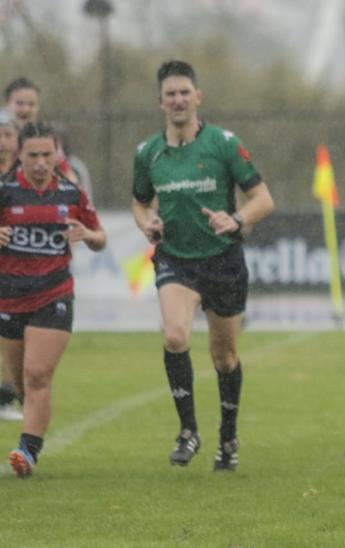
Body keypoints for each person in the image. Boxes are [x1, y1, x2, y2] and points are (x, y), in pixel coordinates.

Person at [131, 60, 275, 471]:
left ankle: (227, 439)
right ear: (160, 102)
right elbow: (139, 202)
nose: (177, 100)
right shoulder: (147, 153)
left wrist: (237, 220)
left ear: (197, 97)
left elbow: (263, 198)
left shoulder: (224, 144)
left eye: (184, 92)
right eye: (169, 94)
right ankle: (188, 431)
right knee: (175, 336)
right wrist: (147, 223)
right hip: (175, 258)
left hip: (222, 260)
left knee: (224, 357)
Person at [0, 122, 107, 477]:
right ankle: (29, 439)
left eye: (48, 155)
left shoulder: (72, 194)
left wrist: (87, 234)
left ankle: (28, 451)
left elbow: (100, 237)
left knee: (38, 374)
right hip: (10, 298)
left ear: (56, 155)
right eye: (34, 155)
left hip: (54, 295)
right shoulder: (5, 192)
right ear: (20, 156)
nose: (42, 163)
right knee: (20, 383)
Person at [0, 109, 22, 420]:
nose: (1, 142)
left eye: (7, 134)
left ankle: (7, 395)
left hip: (18, 272)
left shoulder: (27, 177)